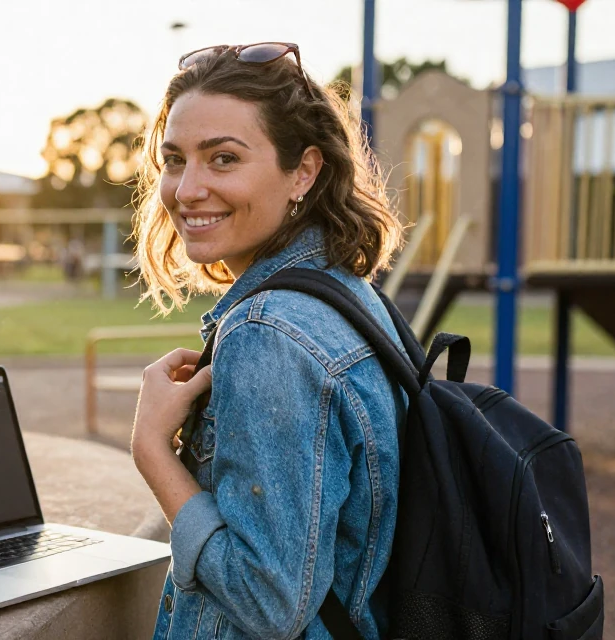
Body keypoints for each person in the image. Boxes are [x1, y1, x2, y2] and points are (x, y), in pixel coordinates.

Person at [129, 42, 407, 640]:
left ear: (303, 170)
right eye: (174, 160)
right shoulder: (348, 293)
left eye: (223, 158)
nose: (186, 189)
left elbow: (267, 603)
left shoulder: (270, 334)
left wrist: (153, 449)